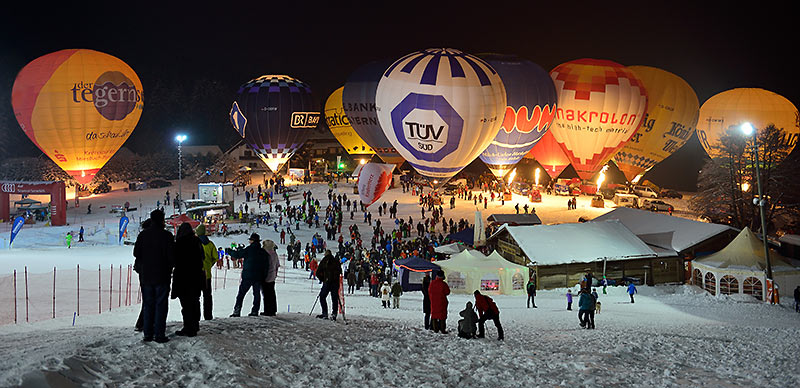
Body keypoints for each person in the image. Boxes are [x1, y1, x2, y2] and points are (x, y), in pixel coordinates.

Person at [133, 209, 175, 343]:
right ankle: (159, 334)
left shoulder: (143, 235)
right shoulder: (167, 236)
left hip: (146, 276)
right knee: (161, 305)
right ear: (162, 220)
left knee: (148, 305)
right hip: (162, 276)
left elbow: (136, 253)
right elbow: (172, 257)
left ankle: (148, 334)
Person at [171, 222, 205, 337]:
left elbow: (174, 260)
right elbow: (202, 257)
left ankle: (188, 327)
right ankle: (195, 325)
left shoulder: (179, 243)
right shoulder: (197, 242)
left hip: (183, 278)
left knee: (186, 304)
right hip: (196, 277)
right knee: (195, 302)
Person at [229, 233, 268, 317]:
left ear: (252, 241)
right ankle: (255, 311)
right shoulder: (262, 251)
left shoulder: (249, 249)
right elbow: (266, 265)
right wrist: (264, 275)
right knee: (256, 294)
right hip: (258, 276)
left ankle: (237, 311)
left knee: (241, 294)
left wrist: (229, 251)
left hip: (248, 275)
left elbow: (238, 255)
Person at [195, 225, 217, 321]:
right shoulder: (210, 244)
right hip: (207, 274)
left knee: (196, 297)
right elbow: (215, 257)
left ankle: (197, 316)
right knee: (207, 296)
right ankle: (208, 316)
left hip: (196, 274)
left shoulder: (194, 243)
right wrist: (209, 265)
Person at [315, 249, 342, 320]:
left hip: (327, 282)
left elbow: (317, 272)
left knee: (322, 297)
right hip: (335, 283)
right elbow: (340, 271)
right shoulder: (336, 261)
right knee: (334, 299)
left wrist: (322, 279)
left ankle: (325, 313)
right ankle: (334, 314)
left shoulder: (324, 261)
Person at [260, 239, 280, 316]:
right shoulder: (274, 254)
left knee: (266, 294)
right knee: (272, 293)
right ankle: (273, 309)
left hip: (266, 276)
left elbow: (264, 266)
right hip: (273, 276)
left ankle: (267, 310)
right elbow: (278, 265)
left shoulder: (266, 254)